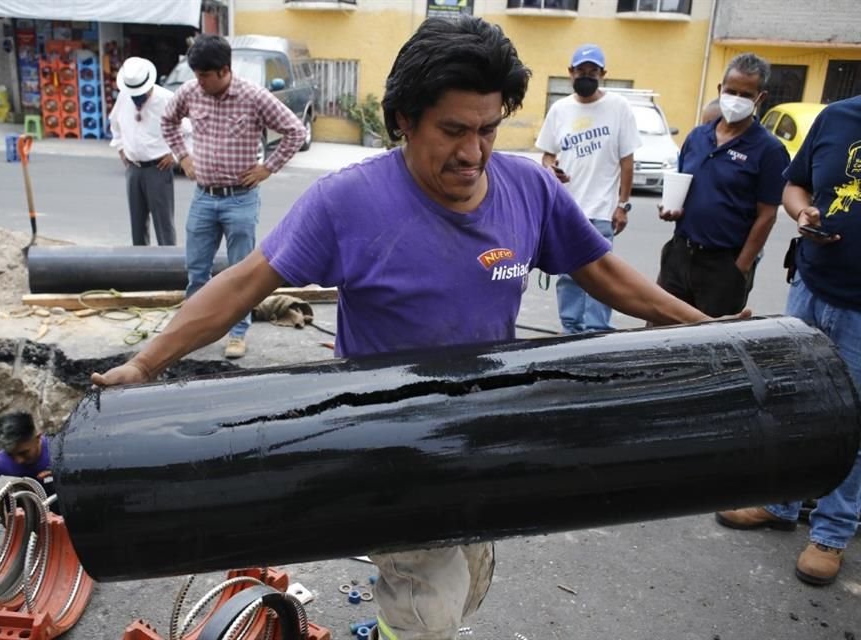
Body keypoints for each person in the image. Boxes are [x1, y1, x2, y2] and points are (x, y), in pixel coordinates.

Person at [95, 17, 735, 640]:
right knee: (427, 611)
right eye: (453, 130)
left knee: (464, 580)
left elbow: (610, 276)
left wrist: (710, 331)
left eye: (488, 129)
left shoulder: (528, 189)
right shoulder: (347, 203)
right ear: (404, 120)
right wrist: (146, 364)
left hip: (483, 435)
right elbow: (240, 285)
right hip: (386, 447)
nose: (473, 152)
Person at [715, 94, 861, 587]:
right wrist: (804, 215)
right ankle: (780, 502)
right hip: (811, 284)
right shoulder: (838, 118)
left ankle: (831, 534)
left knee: (852, 421)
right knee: (794, 402)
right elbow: (795, 186)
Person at [161, 34, 306, 359]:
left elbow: (296, 131)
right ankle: (189, 331)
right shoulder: (190, 92)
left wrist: (267, 168)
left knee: (241, 275)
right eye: (195, 75)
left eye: (203, 76)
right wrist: (184, 156)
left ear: (224, 70)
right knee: (196, 268)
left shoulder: (254, 97)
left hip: (240, 199)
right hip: (204, 197)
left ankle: (238, 334)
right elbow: (168, 120)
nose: (197, 82)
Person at [654, 53, 790, 317]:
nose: (736, 99)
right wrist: (670, 208)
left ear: (759, 98)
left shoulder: (769, 150)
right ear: (720, 89)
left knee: (711, 343)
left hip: (724, 265)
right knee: (661, 333)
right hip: (680, 253)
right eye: (731, 91)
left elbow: (767, 215)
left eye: (746, 95)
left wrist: (741, 267)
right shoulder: (698, 137)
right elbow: (684, 189)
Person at [535, 43, 641, 334]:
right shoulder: (559, 110)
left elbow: (627, 160)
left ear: (603, 74)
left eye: (592, 72)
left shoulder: (618, 107)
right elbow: (547, 153)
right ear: (570, 73)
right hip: (567, 207)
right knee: (569, 274)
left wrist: (623, 204)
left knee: (602, 274)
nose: (586, 76)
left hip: (602, 209)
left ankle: (598, 332)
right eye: (581, 71)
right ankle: (571, 331)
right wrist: (550, 168)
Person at [109, 57, 177, 246]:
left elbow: (189, 130)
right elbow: (114, 123)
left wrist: (175, 154)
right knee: (137, 223)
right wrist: (121, 148)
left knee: (163, 223)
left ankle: (168, 265)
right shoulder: (124, 97)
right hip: (134, 167)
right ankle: (140, 265)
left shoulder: (167, 99)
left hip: (158, 167)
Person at [0, 412, 54, 500]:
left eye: (23, 453)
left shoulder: (61, 456)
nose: (18, 460)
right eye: (10, 455)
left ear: (37, 438)